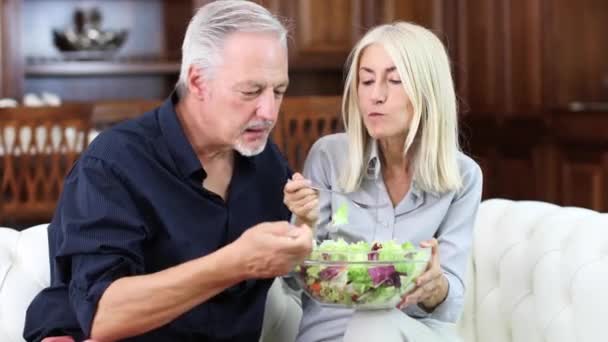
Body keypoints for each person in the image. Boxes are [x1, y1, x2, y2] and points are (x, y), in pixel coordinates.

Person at [23, 1, 313, 341]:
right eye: (250, 91)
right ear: (197, 81)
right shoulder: (113, 164)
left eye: (279, 91)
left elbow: (291, 270)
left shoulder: (267, 163)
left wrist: (304, 227)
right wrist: (235, 263)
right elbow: (102, 314)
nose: (268, 111)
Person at [283, 22, 483, 341]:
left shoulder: (463, 177)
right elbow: (296, 282)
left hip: (412, 333)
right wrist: (303, 226)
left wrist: (435, 287)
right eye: (366, 80)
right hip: (328, 336)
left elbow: (449, 305)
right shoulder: (328, 157)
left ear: (426, 90)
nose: (375, 95)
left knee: (373, 323)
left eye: (394, 80)